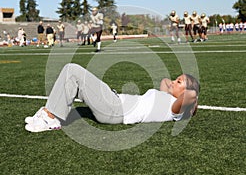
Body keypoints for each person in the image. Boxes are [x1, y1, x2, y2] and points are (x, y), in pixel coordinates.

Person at [24, 63, 200, 132]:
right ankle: (51, 112)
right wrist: (174, 86)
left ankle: (50, 117)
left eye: (180, 82)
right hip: (114, 101)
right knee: (74, 77)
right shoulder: (167, 98)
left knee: (72, 71)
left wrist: (192, 103)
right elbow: (164, 81)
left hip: (115, 109)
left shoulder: (174, 109)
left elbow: (191, 95)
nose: (174, 82)